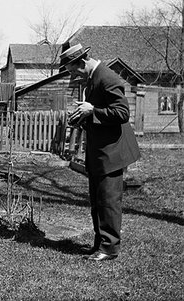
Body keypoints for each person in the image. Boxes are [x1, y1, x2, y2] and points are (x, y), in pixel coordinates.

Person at [59, 43, 140, 261]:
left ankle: (110, 249)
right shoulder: (92, 79)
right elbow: (100, 112)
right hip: (100, 150)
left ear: (83, 62)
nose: (74, 75)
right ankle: (100, 245)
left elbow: (122, 113)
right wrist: (83, 117)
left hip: (113, 152)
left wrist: (92, 110)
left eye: (74, 70)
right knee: (97, 200)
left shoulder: (107, 77)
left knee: (108, 201)